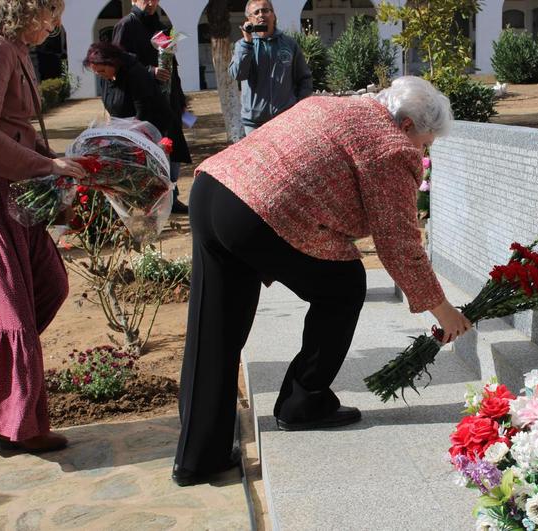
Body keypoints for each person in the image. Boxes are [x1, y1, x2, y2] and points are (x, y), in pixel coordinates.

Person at [172, 76, 472, 486]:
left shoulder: (338, 105)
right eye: (426, 143)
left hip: (213, 190)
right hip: (254, 213)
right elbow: (399, 242)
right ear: (405, 127)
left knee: (214, 332)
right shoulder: (392, 146)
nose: (423, 152)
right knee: (344, 284)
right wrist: (444, 310)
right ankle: (302, 402)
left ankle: (197, 458)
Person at [0, 0, 87, 452]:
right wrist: (45, 164)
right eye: (49, 12)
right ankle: (19, 427)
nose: (56, 23)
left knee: (49, 283)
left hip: (15, 192)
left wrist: (59, 160)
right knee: (12, 314)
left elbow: (16, 127)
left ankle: (6, 406)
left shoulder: (18, 50)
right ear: (20, 10)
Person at [113, 0, 190, 214]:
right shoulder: (126, 26)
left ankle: (171, 199)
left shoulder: (160, 26)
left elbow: (172, 65)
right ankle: (148, 203)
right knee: (147, 154)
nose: (150, 2)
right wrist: (150, 71)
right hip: (144, 105)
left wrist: (180, 101)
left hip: (168, 102)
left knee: (171, 149)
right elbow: (119, 63)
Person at [229, 0, 313, 136]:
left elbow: (305, 78)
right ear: (249, 19)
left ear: (273, 15)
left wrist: (296, 106)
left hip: (285, 120)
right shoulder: (242, 45)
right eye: (256, 12)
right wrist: (247, 43)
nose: (261, 15)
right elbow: (238, 75)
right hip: (254, 124)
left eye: (265, 10)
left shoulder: (289, 44)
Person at [84, 42, 173, 138]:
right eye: (96, 72)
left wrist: (129, 136)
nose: (100, 74)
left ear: (113, 62)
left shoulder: (135, 73)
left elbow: (144, 112)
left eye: (102, 71)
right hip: (126, 131)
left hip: (148, 131)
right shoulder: (106, 77)